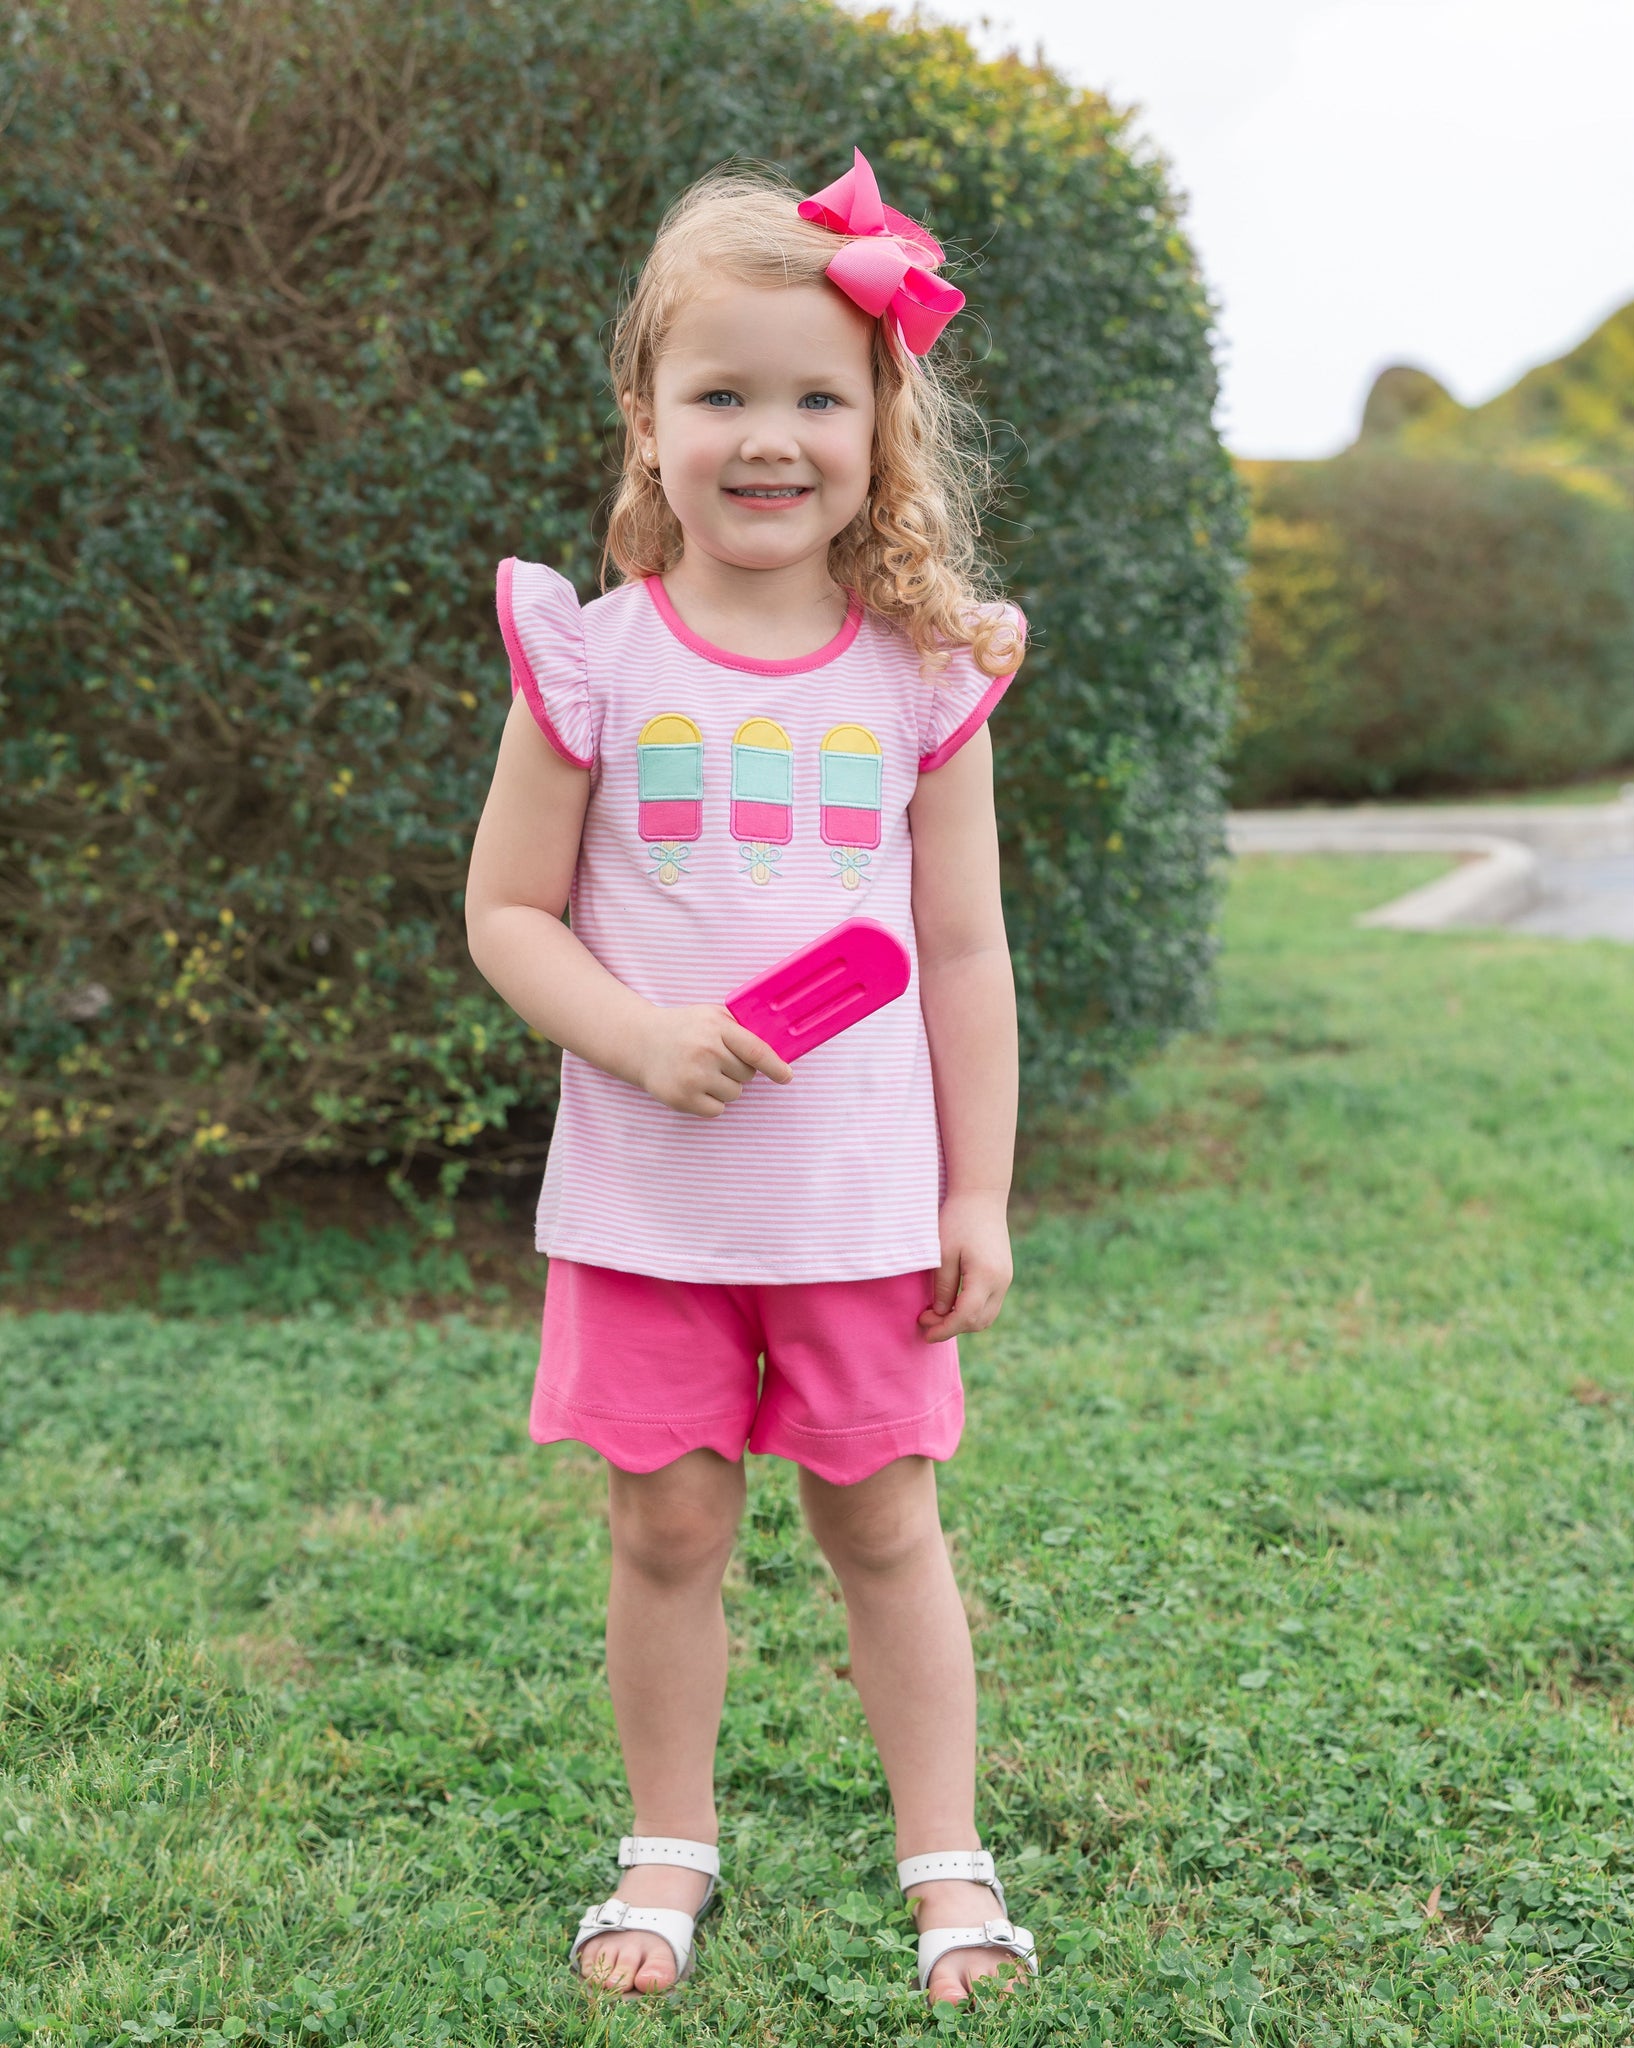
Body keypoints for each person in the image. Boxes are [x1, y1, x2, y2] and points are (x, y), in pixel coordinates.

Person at [464, 147, 1035, 2010]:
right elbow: (506, 912)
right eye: (721, 395)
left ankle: (946, 1860)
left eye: (816, 399)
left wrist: (975, 1191)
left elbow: (963, 950)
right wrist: (640, 1037)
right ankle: (669, 1842)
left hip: (859, 1209)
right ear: (650, 417)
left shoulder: (924, 678)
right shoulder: (593, 663)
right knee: (666, 1527)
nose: (769, 437)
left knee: (884, 1522)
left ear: (881, 424)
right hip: (651, 1206)